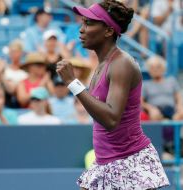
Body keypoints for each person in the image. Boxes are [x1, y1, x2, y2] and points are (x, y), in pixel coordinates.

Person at [56, 1, 169, 189]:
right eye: (82, 22)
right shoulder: (103, 64)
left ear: (108, 31)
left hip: (129, 161)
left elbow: (110, 119)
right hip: (106, 161)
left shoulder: (121, 63)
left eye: (89, 23)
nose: (81, 29)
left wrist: (73, 83)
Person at [142, 56, 183, 120]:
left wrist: (180, 107)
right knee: (154, 115)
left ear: (163, 68)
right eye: (152, 67)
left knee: (181, 113)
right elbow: (141, 102)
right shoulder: (145, 84)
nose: (155, 69)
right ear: (149, 70)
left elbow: (179, 97)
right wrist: (150, 108)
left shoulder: (171, 81)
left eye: (158, 67)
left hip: (171, 109)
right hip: (156, 110)